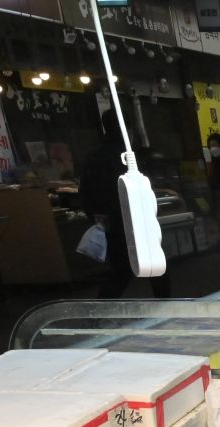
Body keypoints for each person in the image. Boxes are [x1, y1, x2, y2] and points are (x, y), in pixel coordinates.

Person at [78, 110, 171, 299]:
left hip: (111, 223)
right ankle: (166, 305)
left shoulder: (94, 157)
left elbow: (85, 191)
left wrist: (97, 216)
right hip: (138, 219)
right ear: (127, 128)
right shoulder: (129, 156)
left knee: (121, 270)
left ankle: (100, 312)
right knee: (155, 265)